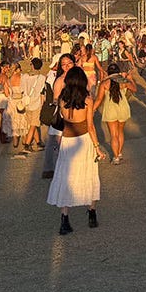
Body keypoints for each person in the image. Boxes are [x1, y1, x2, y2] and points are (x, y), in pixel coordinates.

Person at [47, 66, 104, 235]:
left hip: (68, 140)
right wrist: (97, 147)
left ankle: (64, 218)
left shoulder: (62, 99)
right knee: (90, 174)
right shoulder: (87, 99)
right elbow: (91, 126)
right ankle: (92, 212)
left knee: (66, 177)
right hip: (84, 140)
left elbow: (62, 120)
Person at [95, 63, 133, 163]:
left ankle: (115, 157)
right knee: (120, 132)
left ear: (108, 72)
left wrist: (92, 110)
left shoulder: (104, 83)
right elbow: (134, 88)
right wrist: (130, 78)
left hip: (110, 109)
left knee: (113, 134)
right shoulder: (124, 81)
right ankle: (119, 153)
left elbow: (99, 99)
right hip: (123, 108)